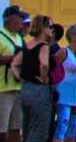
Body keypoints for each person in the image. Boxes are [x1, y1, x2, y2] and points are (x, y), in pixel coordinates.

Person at [0, 5, 28, 142]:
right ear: (10, 19)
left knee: (15, 129)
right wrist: (12, 58)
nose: (23, 20)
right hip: (0, 91)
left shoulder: (19, 39)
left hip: (17, 89)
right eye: (20, 17)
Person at [18, 14, 55, 142]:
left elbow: (14, 65)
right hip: (39, 91)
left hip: (25, 89)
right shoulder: (43, 47)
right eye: (50, 26)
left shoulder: (27, 46)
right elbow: (44, 64)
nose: (52, 29)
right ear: (42, 28)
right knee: (39, 130)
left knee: (27, 127)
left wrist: (22, 77)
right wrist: (44, 78)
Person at [54, 24, 76, 142]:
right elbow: (53, 68)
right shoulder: (64, 52)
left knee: (73, 129)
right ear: (72, 36)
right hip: (64, 97)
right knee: (62, 127)